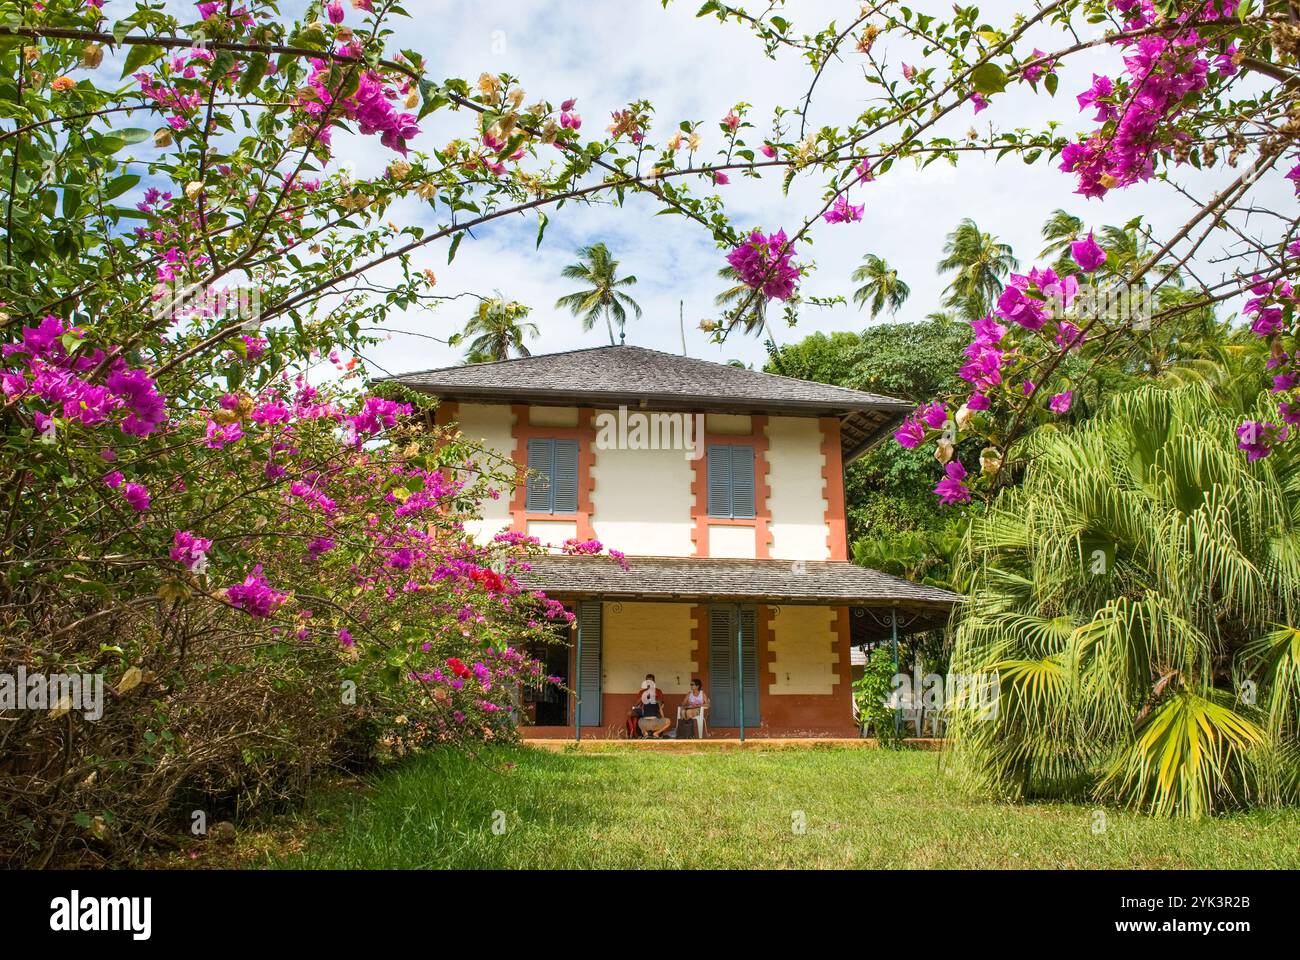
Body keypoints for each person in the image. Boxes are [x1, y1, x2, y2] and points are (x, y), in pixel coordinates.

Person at [636, 673, 671, 738]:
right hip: (643, 712)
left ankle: (653, 734)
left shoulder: (658, 691)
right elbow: (636, 704)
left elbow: (660, 705)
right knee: (637, 716)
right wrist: (644, 696)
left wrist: (653, 696)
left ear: (654, 682)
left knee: (641, 721)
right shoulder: (642, 692)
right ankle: (644, 734)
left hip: (655, 713)